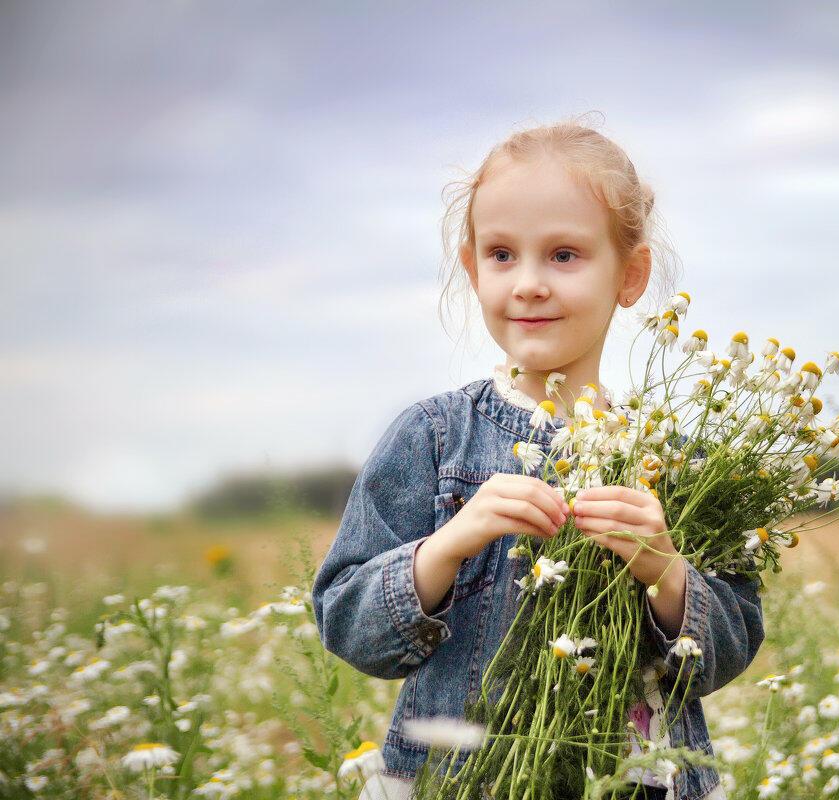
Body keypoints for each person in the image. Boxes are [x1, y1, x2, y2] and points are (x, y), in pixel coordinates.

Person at [311, 115, 763, 800]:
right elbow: (349, 624)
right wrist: (448, 546)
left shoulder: (678, 463)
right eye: (500, 254)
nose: (527, 283)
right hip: (458, 782)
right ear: (471, 268)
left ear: (630, 275)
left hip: (637, 783)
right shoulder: (436, 437)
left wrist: (665, 570)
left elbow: (729, 647)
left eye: (563, 255)